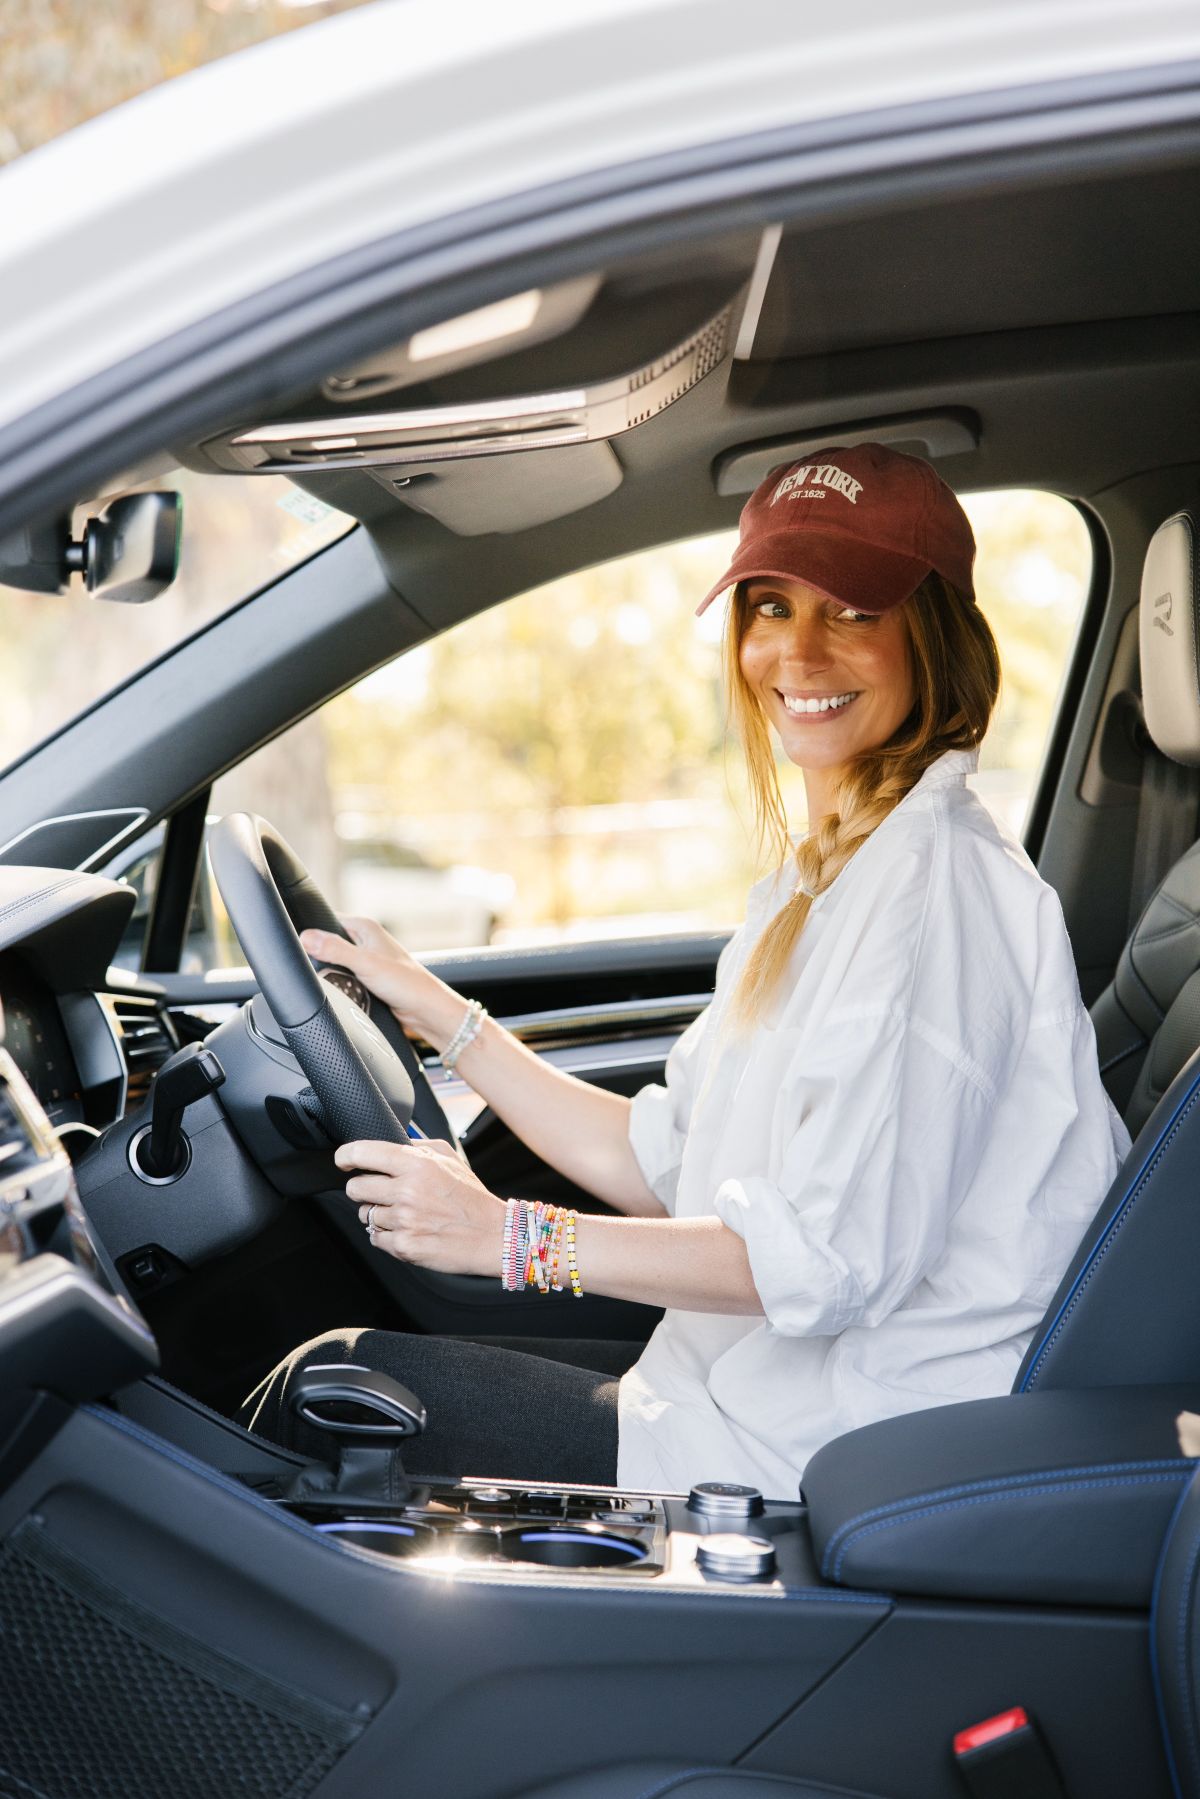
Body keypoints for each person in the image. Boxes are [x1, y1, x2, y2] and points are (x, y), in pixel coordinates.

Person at [241, 443, 1130, 1500]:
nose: (798, 651)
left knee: (329, 1395)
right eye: (769, 606)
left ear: (932, 638)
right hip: (721, 1397)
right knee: (337, 1377)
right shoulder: (828, 874)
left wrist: (506, 1234)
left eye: (853, 611)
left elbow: (820, 1262)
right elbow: (669, 1158)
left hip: (820, 1455)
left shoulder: (936, 898)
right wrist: (446, 1019)